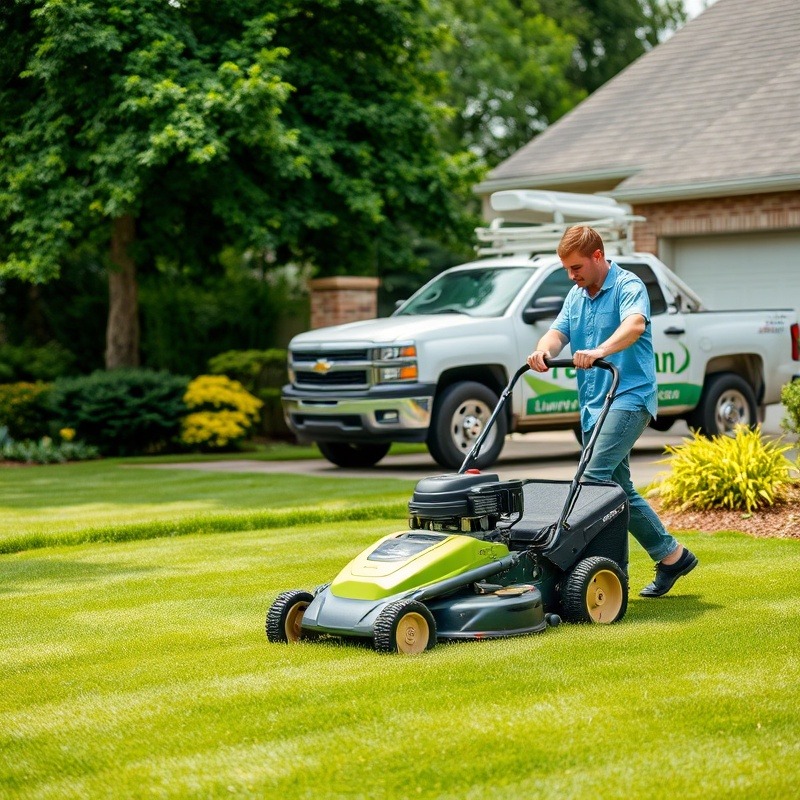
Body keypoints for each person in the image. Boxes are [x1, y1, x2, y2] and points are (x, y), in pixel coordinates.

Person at [527, 225, 697, 597]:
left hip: (629, 397)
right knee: (616, 488)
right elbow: (557, 333)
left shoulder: (627, 285)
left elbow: (634, 324)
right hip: (594, 405)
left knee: (593, 480)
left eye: (576, 267)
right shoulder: (576, 295)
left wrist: (601, 350)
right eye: (567, 269)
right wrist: (543, 349)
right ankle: (672, 557)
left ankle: (594, 569)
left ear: (598, 257)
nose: (572, 276)